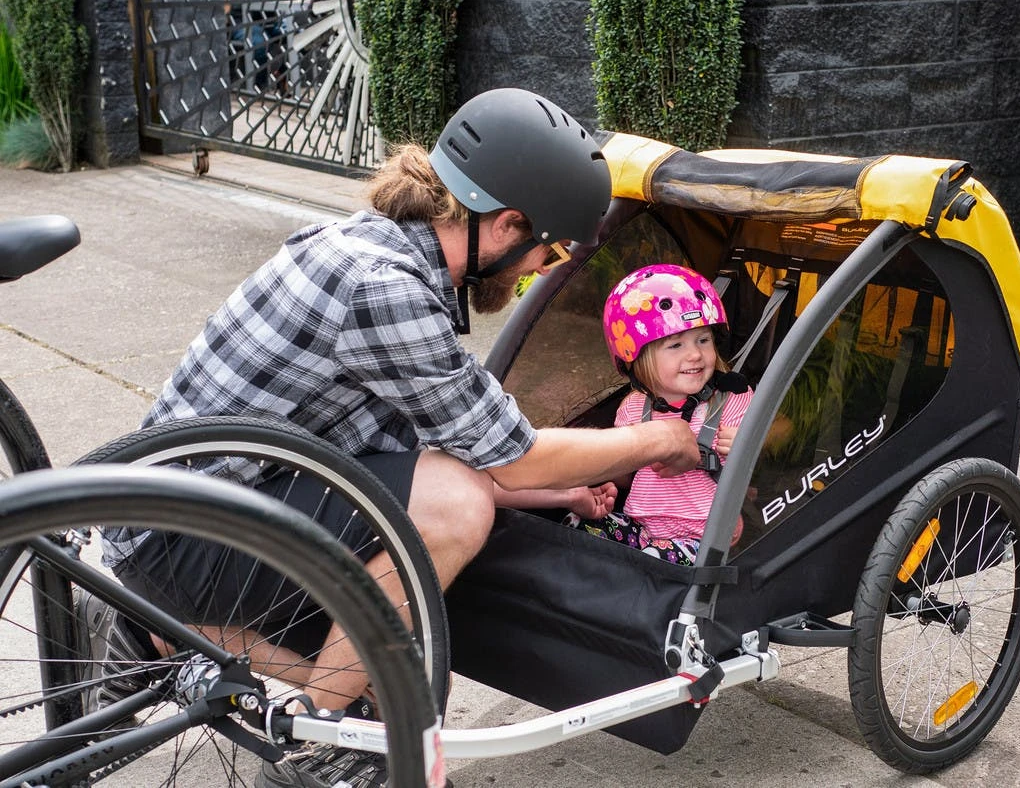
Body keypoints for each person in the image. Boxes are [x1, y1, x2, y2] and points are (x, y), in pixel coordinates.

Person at [79, 88, 699, 787]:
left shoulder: (371, 243)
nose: (538, 271)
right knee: (453, 513)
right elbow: (507, 459)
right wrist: (659, 441)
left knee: (418, 568)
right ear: (507, 224)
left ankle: (155, 632)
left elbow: (452, 446)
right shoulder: (387, 291)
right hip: (188, 543)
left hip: (177, 518)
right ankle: (317, 738)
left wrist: (567, 491)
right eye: (547, 251)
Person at [568, 264, 753, 565]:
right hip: (644, 528)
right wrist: (603, 470)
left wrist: (746, 449)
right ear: (637, 359)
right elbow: (626, 477)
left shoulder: (732, 401)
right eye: (676, 344)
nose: (694, 354)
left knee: (654, 563)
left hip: (703, 536)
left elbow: (761, 477)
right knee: (579, 526)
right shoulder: (633, 408)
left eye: (703, 340)